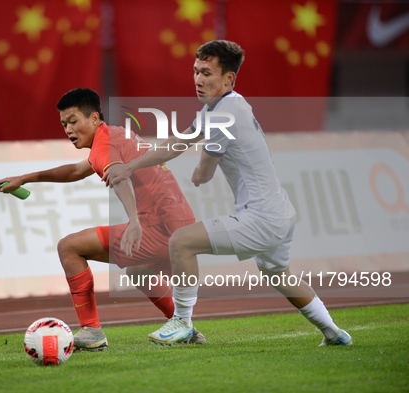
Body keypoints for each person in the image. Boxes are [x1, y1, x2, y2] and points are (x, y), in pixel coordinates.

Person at [104, 40, 352, 347]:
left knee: (181, 241)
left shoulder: (225, 113)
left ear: (228, 78)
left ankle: (182, 321)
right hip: (279, 213)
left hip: (261, 216)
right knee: (279, 276)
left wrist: (198, 173)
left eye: (206, 72)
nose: (197, 79)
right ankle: (334, 333)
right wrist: (130, 167)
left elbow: (205, 172)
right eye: (195, 71)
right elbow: (178, 142)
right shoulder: (223, 106)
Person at [0, 87, 204, 351]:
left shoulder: (104, 144)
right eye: (63, 124)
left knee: (69, 247)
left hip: (159, 227)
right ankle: (183, 326)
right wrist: (26, 178)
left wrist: (134, 221)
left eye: (73, 121)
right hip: (179, 226)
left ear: (94, 118)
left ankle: (91, 330)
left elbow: (118, 176)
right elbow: (76, 170)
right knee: (138, 271)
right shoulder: (115, 135)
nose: (68, 130)